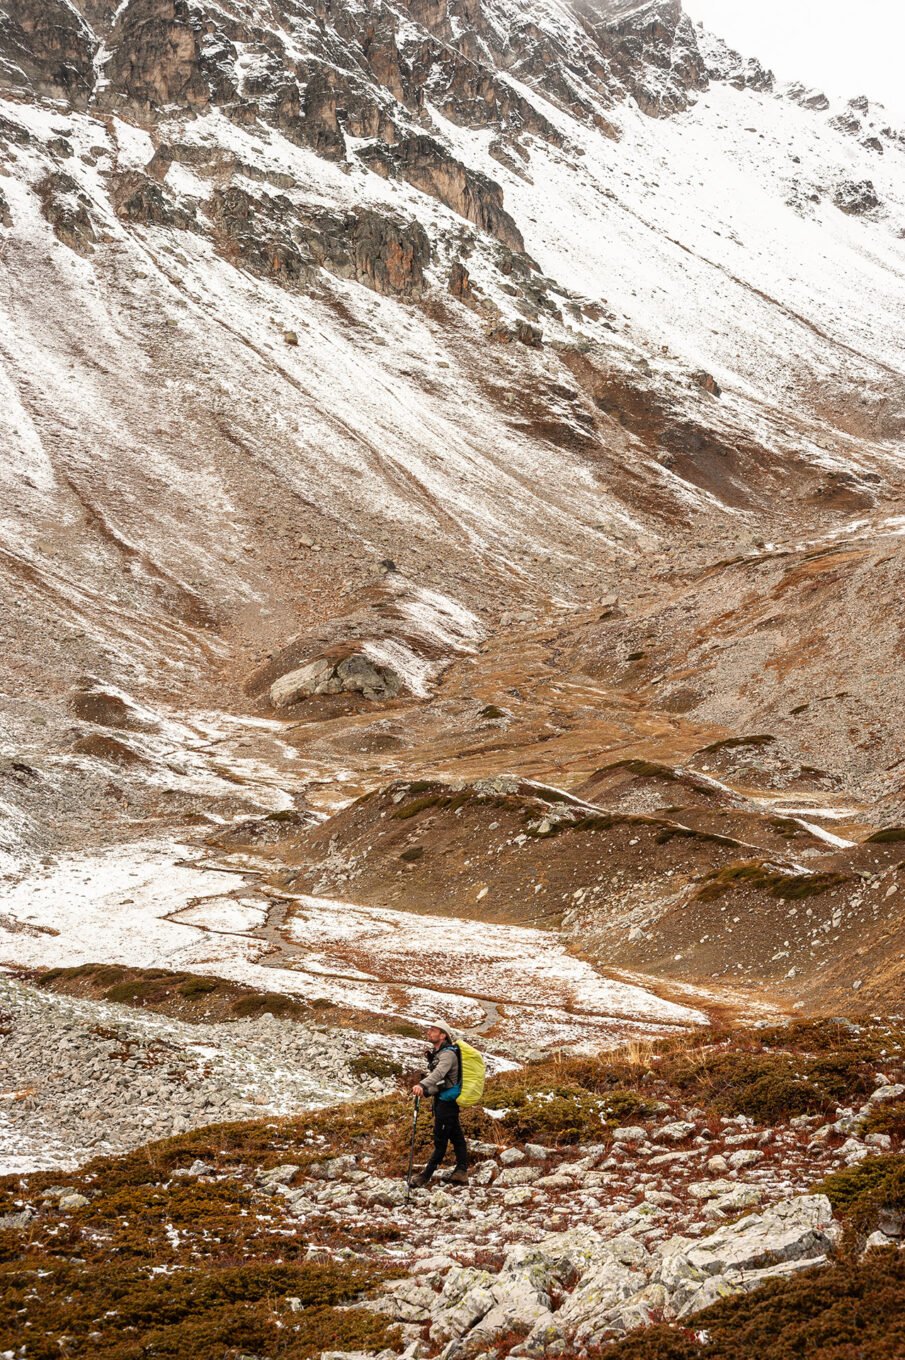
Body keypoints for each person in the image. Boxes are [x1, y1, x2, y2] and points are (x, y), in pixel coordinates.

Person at [409, 1018, 468, 1187]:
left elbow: (440, 1075)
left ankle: (424, 1177)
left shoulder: (447, 1055)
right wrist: (427, 1091)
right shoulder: (440, 1053)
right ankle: (461, 1172)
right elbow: (442, 1083)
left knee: (440, 1141)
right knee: (456, 1136)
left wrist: (422, 1085)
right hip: (444, 1100)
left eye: (433, 1030)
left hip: (446, 1104)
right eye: (430, 1030)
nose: (429, 1032)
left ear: (443, 1036)